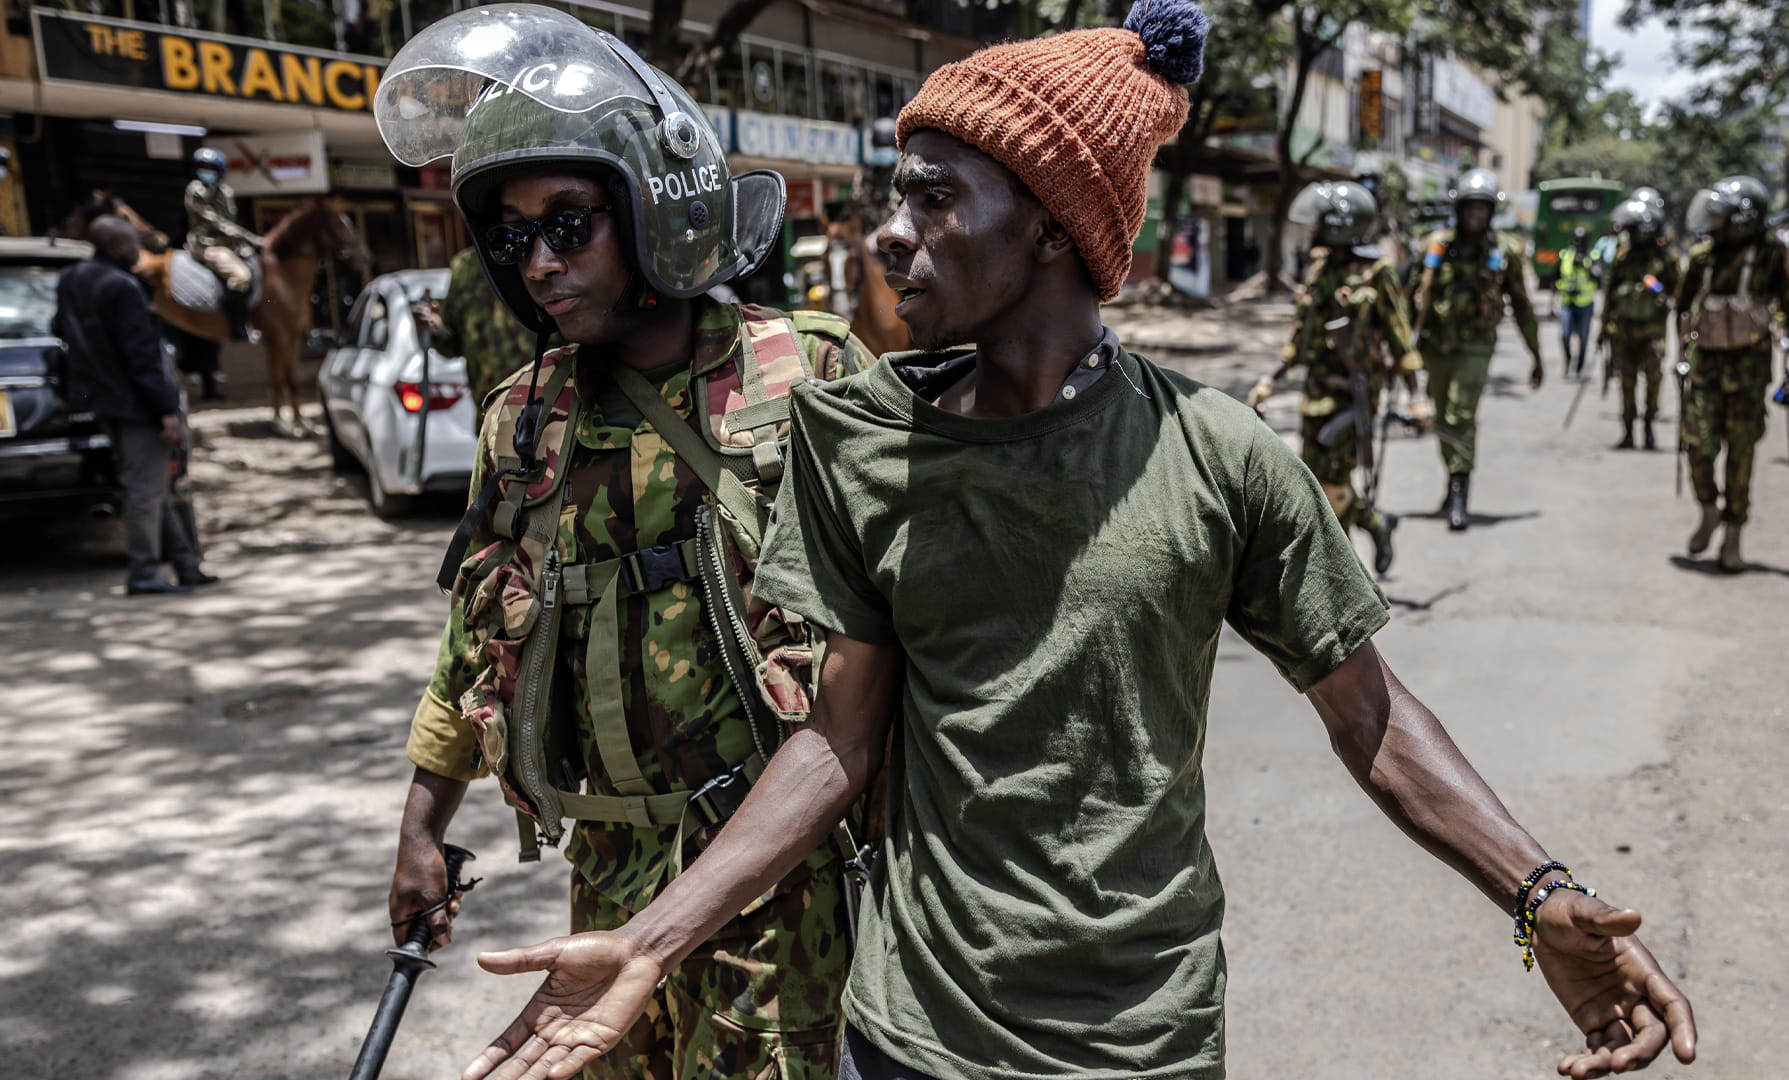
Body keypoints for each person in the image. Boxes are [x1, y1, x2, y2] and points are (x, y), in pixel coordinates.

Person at [456, 7, 1698, 1080]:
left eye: (937, 198)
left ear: (1052, 225)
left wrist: (1540, 897)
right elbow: (837, 741)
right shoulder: (856, 441)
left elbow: (1371, 718)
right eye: (899, 194)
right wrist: (650, 941)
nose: (893, 233)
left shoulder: (1218, 453)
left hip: (1142, 1039)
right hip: (909, 1035)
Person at [371, 9, 873, 1078]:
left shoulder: (810, 377)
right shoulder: (523, 417)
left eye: (568, 223)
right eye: (512, 238)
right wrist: (422, 827)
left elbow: (916, 638)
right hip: (607, 863)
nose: (540, 262)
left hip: (770, 874)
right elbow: (473, 641)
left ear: (659, 205)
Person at [1247, 181, 1419, 573]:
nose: (1314, 227)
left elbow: (1400, 336)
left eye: (1322, 220)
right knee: (1313, 480)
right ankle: (1375, 522)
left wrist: (1416, 396)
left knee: (1333, 481)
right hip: (1317, 390)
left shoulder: (1378, 273)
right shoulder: (1320, 268)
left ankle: (1335, 573)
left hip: (1353, 393)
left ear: (1342, 224)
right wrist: (1270, 378)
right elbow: (1299, 335)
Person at [54, 217, 216, 595]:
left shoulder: (72, 279)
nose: (138, 252)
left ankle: (185, 564)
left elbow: (61, 331)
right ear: (115, 246)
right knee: (146, 489)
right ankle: (144, 573)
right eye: (131, 244)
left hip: (103, 401)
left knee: (157, 485)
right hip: (138, 404)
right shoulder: (123, 287)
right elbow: (142, 356)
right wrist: (164, 410)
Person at [1676, 175, 1789, 572]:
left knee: (1741, 457)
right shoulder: (1702, 258)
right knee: (1697, 448)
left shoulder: (1772, 256)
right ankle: (1708, 509)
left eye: (1720, 215)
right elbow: (1681, 306)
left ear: (1742, 219)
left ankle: (1734, 534)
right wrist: (1681, 354)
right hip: (1705, 370)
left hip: (1749, 377)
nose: (1711, 222)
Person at [1412, 168, 1545, 531]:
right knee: (1442, 417)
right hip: (1436, 346)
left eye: (1482, 208)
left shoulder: (1504, 252)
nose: (1476, 215)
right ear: (1459, 208)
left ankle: (1460, 494)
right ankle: (1452, 477)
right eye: (1470, 207)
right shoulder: (1434, 246)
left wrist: (1536, 354)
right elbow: (1409, 300)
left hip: (1476, 346)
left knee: (1460, 413)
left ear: (1491, 212)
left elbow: (1522, 305)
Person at [415, 245, 552, 418]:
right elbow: (453, 344)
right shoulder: (464, 267)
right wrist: (436, 329)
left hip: (549, 412)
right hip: (490, 414)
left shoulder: (535, 252)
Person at [1599, 197, 1680, 450]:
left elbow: (1677, 291)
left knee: (1654, 376)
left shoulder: (1664, 258)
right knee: (1626, 381)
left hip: (1652, 331)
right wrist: (1603, 328)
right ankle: (1627, 429)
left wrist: (1653, 285)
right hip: (1623, 330)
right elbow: (1610, 292)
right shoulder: (1622, 257)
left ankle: (1648, 423)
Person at [184, 147, 264, 343]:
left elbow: (230, 220)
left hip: (228, 243)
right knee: (241, 275)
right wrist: (248, 237)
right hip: (206, 244)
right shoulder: (195, 189)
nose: (206, 171)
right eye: (202, 166)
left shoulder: (224, 191)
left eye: (210, 167)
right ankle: (237, 325)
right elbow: (214, 221)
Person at [1556, 226, 1601, 379]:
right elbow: (1555, 278)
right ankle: (1568, 360)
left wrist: (1584, 265)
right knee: (1565, 334)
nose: (1578, 243)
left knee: (1583, 337)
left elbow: (1598, 278)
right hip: (1567, 302)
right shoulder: (1565, 255)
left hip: (1585, 304)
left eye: (1582, 240)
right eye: (1576, 239)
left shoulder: (1593, 256)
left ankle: (1580, 364)